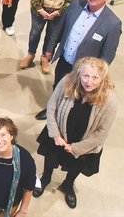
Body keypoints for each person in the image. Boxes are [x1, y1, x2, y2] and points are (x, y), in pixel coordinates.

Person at [34, 58, 116, 209]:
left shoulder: (109, 100)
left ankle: (68, 185)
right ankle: (45, 178)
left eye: (95, 78)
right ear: (79, 73)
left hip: (84, 144)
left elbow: (102, 132)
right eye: (86, 76)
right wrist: (55, 135)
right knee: (50, 159)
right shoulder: (67, 82)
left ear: (102, 78)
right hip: (59, 135)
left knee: (75, 167)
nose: (89, 82)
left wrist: (76, 148)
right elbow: (51, 107)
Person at [35, 0, 121, 120]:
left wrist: (97, 76)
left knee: (77, 95)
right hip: (65, 60)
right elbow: (59, 28)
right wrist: (49, 49)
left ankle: (66, 116)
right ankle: (53, 108)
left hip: (84, 71)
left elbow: (108, 54)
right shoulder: (75, 4)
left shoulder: (113, 24)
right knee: (58, 86)